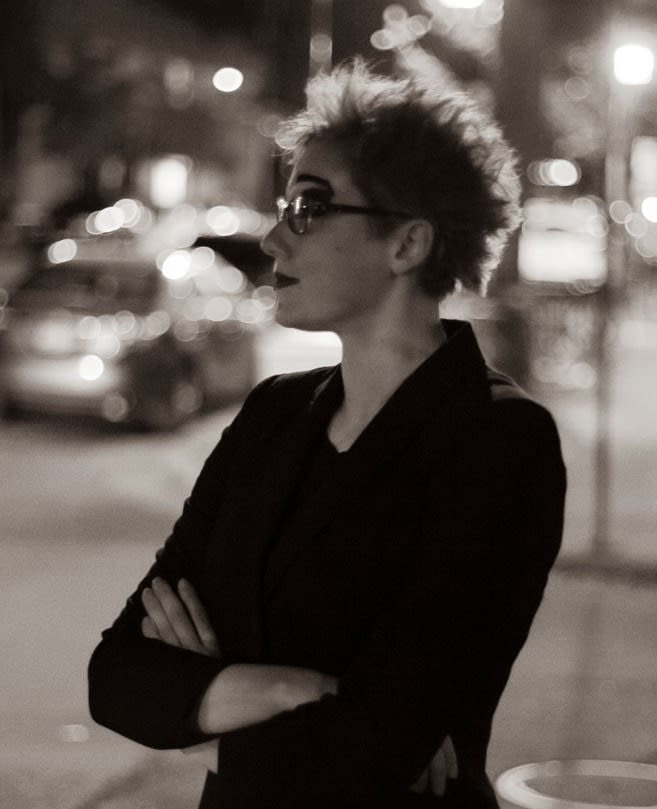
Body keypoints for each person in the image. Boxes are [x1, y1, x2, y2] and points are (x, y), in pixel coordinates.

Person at [88, 58, 566, 809]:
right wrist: (292, 688)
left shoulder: (498, 440)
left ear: (406, 245)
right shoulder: (275, 412)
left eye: (309, 208)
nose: (275, 240)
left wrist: (205, 700)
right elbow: (116, 675)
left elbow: (376, 742)